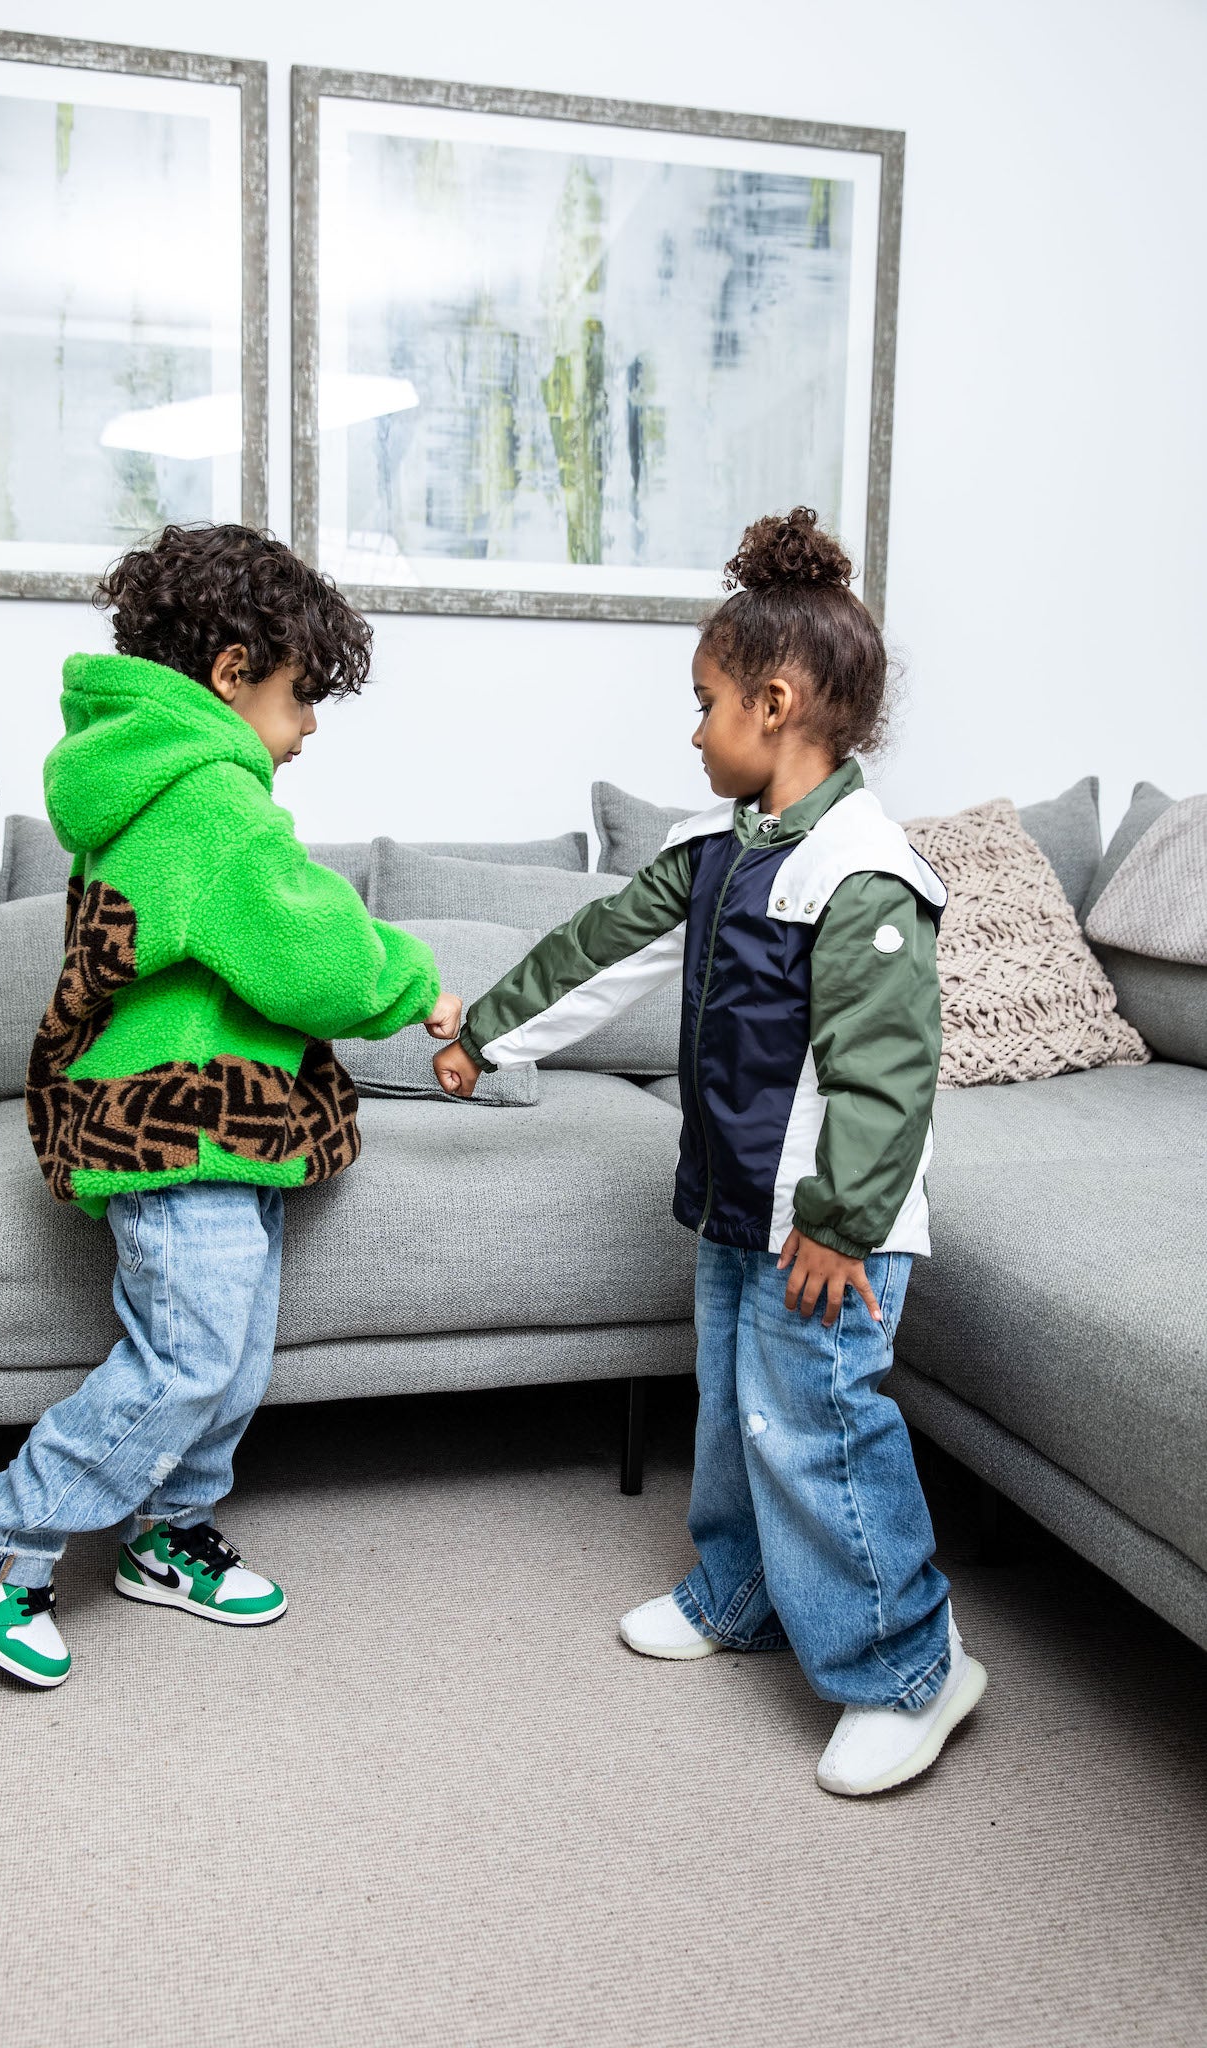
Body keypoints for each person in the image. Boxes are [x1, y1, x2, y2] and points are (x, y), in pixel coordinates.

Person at [434, 507, 987, 1797]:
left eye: (705, 703)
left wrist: (842, 1220)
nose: (692, 731)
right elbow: (598, 951)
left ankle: (914, 1664)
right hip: (738, 1207)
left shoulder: (863, 874)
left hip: (826, 1231)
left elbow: (888, 1071)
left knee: (817, 1426)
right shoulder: (715, 853)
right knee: (735, 1413)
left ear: (776, 703)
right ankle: (738, 1588)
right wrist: (489, 1036)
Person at [0, 524, 460, 1688]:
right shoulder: (209, 802)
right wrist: (412, 980)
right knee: (191, 1355)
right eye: (301, 694)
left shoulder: (170, 783)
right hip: (178, 1129)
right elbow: (306, 945)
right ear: (230, 671)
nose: (309, 725)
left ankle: (165, 1532)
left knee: (230, 1351)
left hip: (217, 1123)